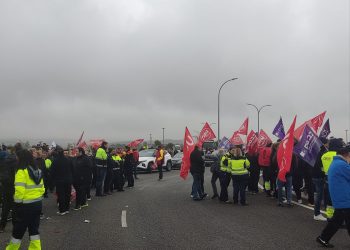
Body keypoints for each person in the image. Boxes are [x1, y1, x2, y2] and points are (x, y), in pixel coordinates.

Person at [5, 149, 45, 250]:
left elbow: (19, 191)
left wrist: (17, 205)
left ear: (21, 158)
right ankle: (35, 248)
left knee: (18, 230)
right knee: (34, 229)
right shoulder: (38, 171)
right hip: (37, 204)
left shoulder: (21, 171)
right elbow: (42, 189)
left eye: (18, 157)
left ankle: (11, 249)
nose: (16, 159)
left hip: (24, 206)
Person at [317, 141, 350, 248]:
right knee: (338, 221)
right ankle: (323, 237)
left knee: (337, 220)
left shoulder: (336, 163)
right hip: (344, 198)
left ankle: (323, 238)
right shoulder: (342, 165)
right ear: (347, 155)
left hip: (340, 197)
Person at [51, 146, 73, 215]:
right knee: (67, 194)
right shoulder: (68, 160)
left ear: (57, 153)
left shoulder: (55, 160)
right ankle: (67, 209)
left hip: (59, 181)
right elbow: (72, 169)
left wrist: (53, 180)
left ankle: (62, 210)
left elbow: (52, 171)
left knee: (61, 195)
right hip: (68, 180)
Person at [0, 146, 17, 233]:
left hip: (5, 187)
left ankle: (2, 226)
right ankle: (15, 227)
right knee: (15, 208)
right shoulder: (16, 163)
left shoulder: (3, 162)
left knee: (5, 208)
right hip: (14, 187)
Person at [312, 138, 328, 221]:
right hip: (319, 177)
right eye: (327, 143)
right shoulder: (322, 152)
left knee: (321, 195)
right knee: (319, 195)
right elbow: (320, 166)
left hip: (315, 175)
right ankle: (317, 214)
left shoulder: (316, 150)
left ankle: (321, 212)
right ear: (324, 144)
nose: (328, 144)